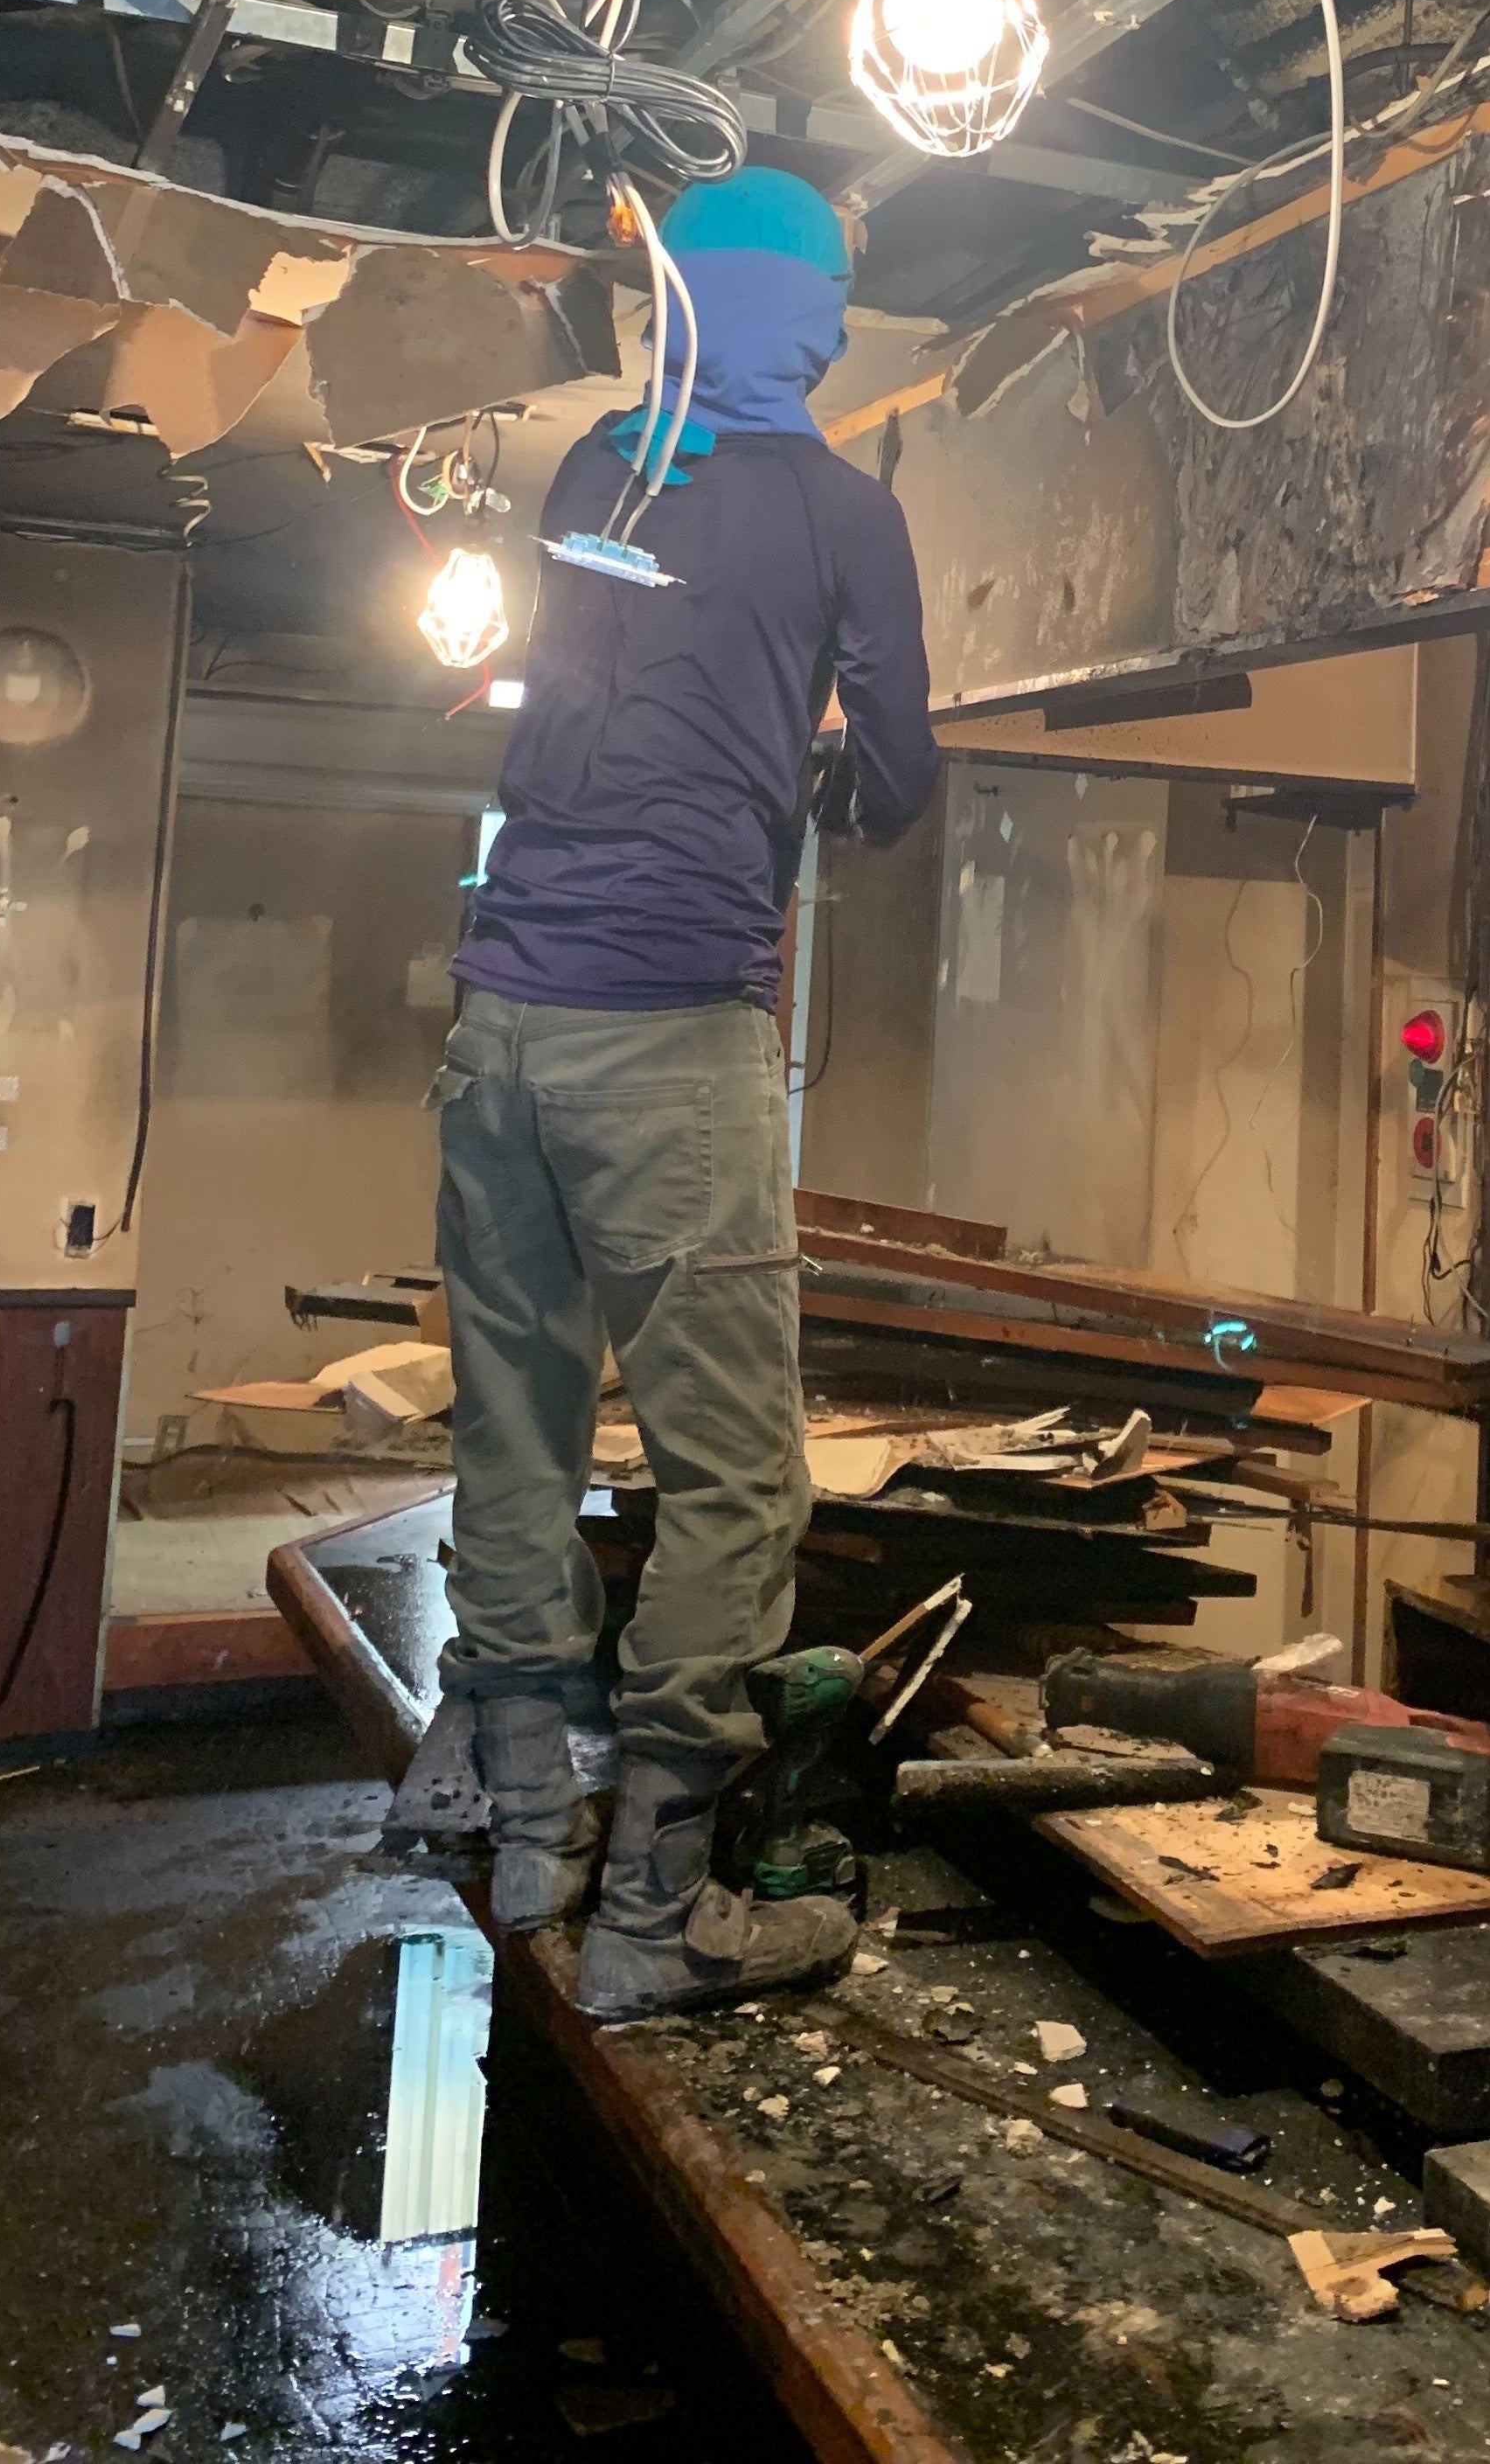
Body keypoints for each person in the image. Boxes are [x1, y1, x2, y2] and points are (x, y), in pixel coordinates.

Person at [412, 165, 939, 2022]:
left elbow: (597, 687)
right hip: (671, 1030)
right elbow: (900, 777)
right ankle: (651, 1914)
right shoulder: (846, 510)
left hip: (499, 1025)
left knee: (516, 1420)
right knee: (734, 1473)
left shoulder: (593, 472)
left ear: (676, 312)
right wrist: (818, 773)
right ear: (814, 325)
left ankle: (530, 1837)